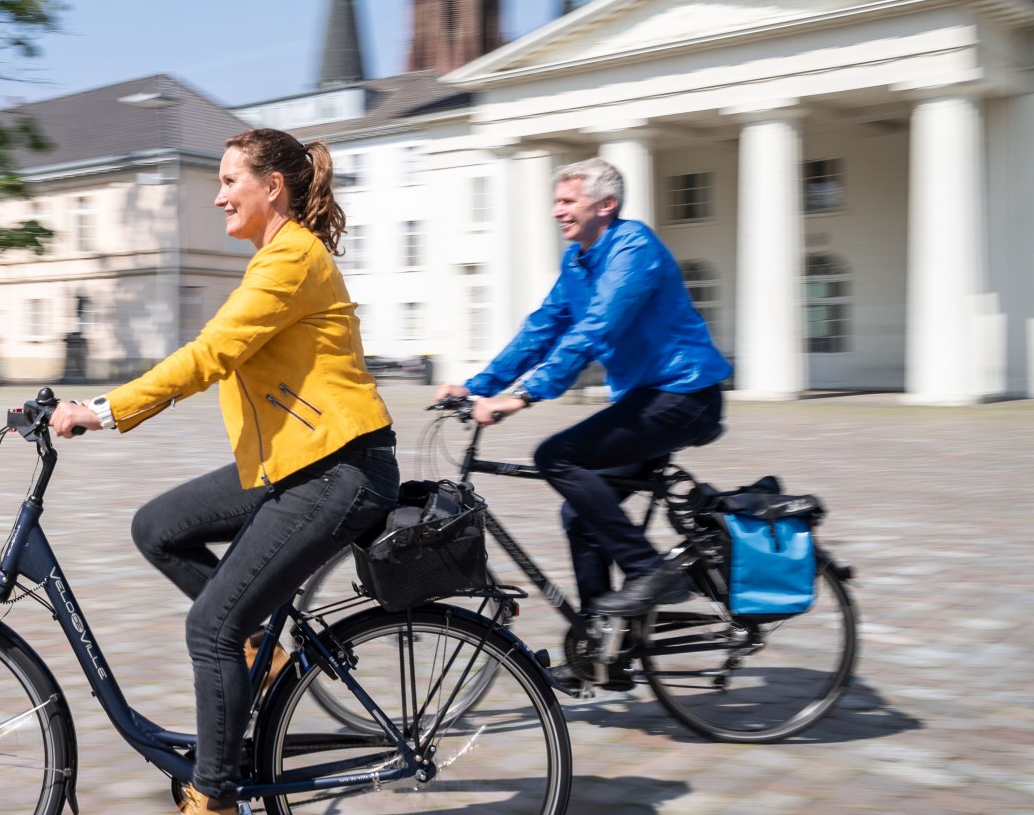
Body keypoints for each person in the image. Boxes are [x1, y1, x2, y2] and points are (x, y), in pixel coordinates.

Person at [50, 128, 398, 815]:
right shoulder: (276, 257)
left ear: (273, 188)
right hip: (290, 463)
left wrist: (100, 410)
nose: (218, 197)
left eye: (230, 181)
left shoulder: (291, 259)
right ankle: (260, 660)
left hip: (334, 470)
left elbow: (209, 354)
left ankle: (214, 797)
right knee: (158, 528)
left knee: (210, 629)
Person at [436, 157, 730, 642]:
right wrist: (479, 386)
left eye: (568, 201)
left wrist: (524, 396)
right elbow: (544, 327)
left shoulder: (634, 250)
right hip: (646, 397)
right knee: (581, 513)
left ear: (606, 204)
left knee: (557, 456)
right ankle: (606, 641)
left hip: (685, 394)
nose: (556, 211)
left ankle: (651, 571)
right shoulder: (578, 261)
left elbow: (596, 330)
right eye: (556, 201)